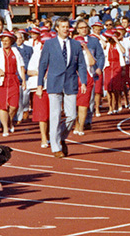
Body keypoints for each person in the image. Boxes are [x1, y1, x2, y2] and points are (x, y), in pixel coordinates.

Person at [36, 16, 88, 158]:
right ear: (57, 28)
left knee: (72, 115)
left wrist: (83, 81)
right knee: (55, 115)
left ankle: (60, 136)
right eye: (63, 27)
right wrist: (39, 84)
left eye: (67, 26)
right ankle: (56, 147)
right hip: (54, 82)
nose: (66, 29)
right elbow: (42, 65)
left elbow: (81, 65)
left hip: (70, 82)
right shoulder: (49, 44)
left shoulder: (76, 44)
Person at [0, 31, 25, 136]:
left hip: (13, 79)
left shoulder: (15, 51)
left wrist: (24, 80)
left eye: (6, 40)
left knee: (14, 105)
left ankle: (9, 120)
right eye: (3, 40)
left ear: (11, 41)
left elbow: (21, 66)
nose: (4, 42)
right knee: (2, 106)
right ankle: (5, 128)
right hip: (1, 80)